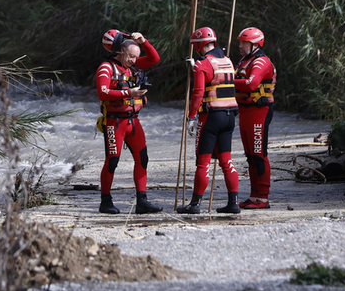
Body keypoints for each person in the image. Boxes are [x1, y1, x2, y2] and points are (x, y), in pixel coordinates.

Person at [96, 29, 163, 214]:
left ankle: (142, 202)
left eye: (136, 57)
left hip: (133, 122)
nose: (134, 60)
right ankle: (105, 202)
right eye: (131, 56)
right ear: (121, 52)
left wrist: (144, 42)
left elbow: (154, 59)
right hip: (114, 122)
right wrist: (129, 92)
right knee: (112, 161)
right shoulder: (106, 68)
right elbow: (102, 92)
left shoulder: (132, 65)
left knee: (143, 159)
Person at [177, 26, 241, 214]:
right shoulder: (228, 60)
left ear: (199, 46)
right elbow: (215, 78)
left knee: (203, 162)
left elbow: (198, 92)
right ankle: (233, 203)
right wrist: (195, 67)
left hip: (211, 117)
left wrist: (191, 117)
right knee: (226, 161)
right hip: (229, 117)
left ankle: (195, 205)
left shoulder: (202, 64)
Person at [233, 27, 276, 209]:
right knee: (250, 156)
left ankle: (263, 198)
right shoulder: (244, 61)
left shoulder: (261, 62)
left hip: (259, 111)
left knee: (259, 154)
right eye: (241, 43)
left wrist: (228, 81)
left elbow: (252, 84)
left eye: (244, 43)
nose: (241, 46)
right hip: (245, 112)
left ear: (255, 44)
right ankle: (254, 195)